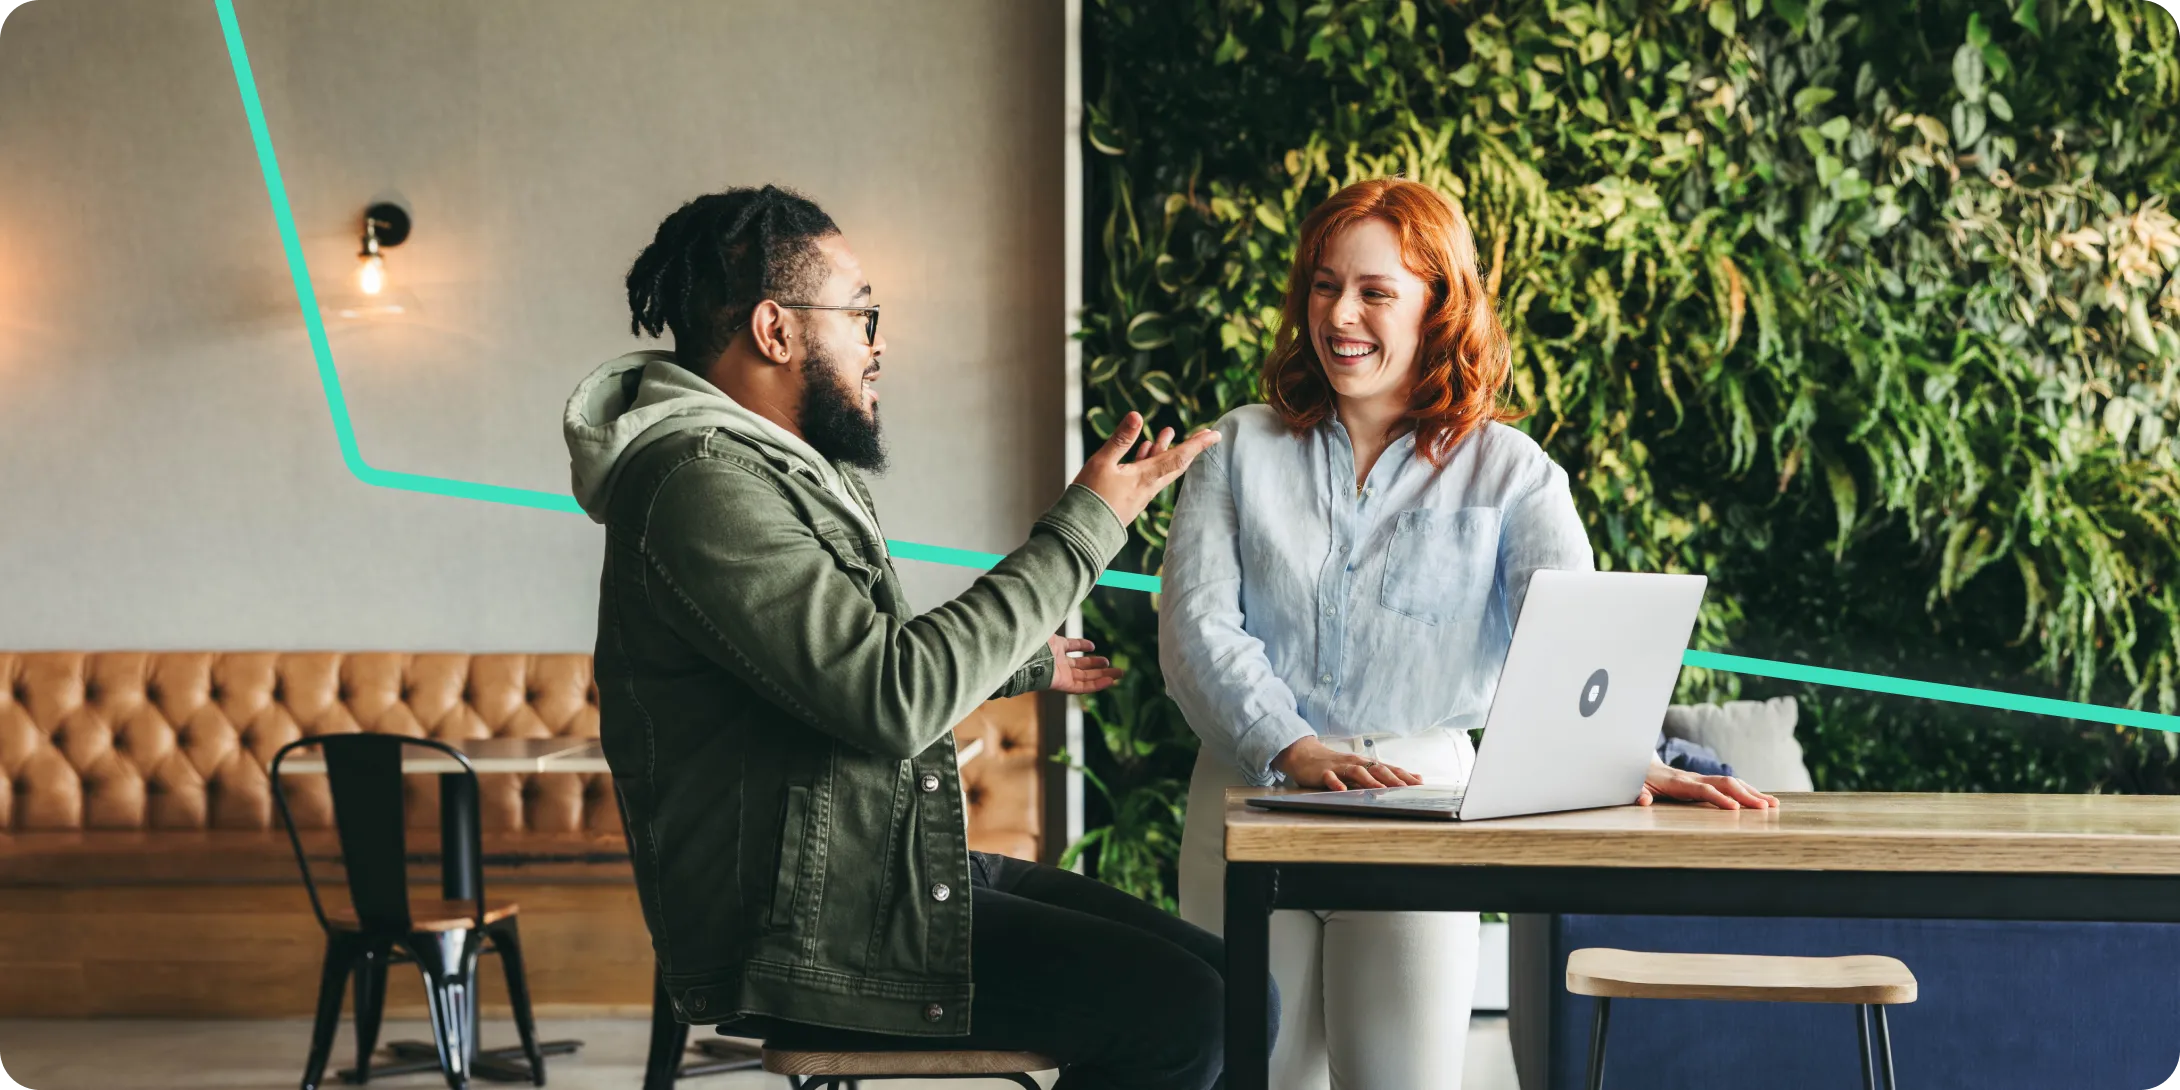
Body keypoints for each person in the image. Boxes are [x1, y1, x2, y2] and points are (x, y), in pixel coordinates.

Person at [564, 184, 1266, 1090]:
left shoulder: (766, 469)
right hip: (810, 925)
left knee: (1241, 994)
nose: (879, 340)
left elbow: (850, 660)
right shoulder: (699, 482)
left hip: (878, 872)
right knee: (1191, 1014)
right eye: (862, 314)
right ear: (775, 330)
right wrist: (1085, 525)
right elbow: (893, 696)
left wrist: (1024, 660)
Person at [1159, 177, 1777, 1090]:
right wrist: (1288, 746)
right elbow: (1196, 631)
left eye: (1376, 292)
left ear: (1439, 307)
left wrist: (1614, 753)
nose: (1341, 315)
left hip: (1425, 811)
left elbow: (1575, 650)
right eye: (1326, 286)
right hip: (1249, 804)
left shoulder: (1512, 473)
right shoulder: (1238, 448)